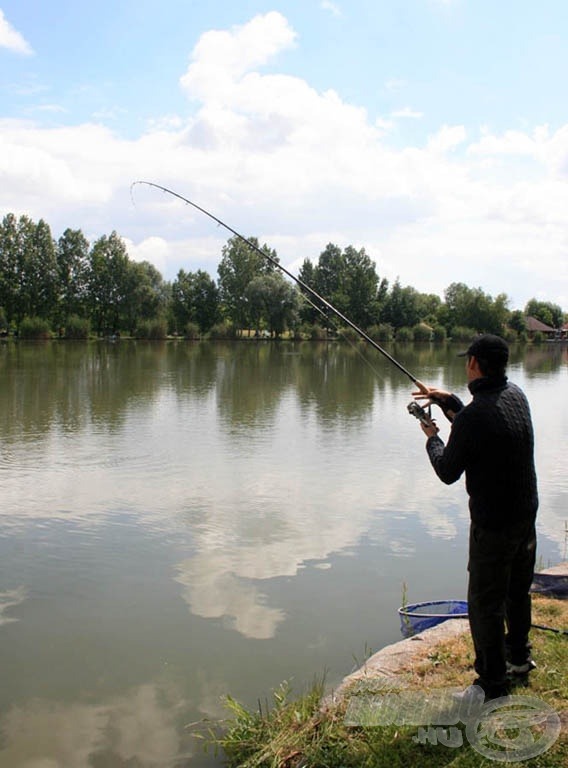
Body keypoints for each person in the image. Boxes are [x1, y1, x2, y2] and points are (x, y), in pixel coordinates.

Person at [413, 334, 538, 700]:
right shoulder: (516, 395)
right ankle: (519, 659)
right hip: (525, 515)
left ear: (473, 364)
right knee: (517, 592)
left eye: (467, 360)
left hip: (494, 525)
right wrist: (447, 399)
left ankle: (491, 684)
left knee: (484, 604)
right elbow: (478, 423)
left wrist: (432, 437)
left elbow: (448, 470)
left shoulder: (475, 417)